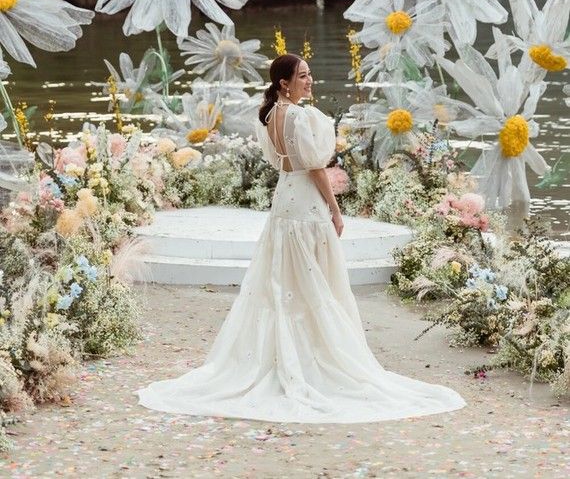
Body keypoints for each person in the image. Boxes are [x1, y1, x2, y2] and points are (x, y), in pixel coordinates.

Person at [136, 54, 466, 422]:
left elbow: (286, 163)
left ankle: (284, 352)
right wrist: (336, 210)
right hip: (305, 203)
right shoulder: (299, 116)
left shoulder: (268, 115)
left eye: (310, 74)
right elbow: (315, 167)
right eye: (303, 76)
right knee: (315, 282)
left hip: (284, 201)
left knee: (283, 282)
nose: (310, 81)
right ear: (284, 83)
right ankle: (313, 356)